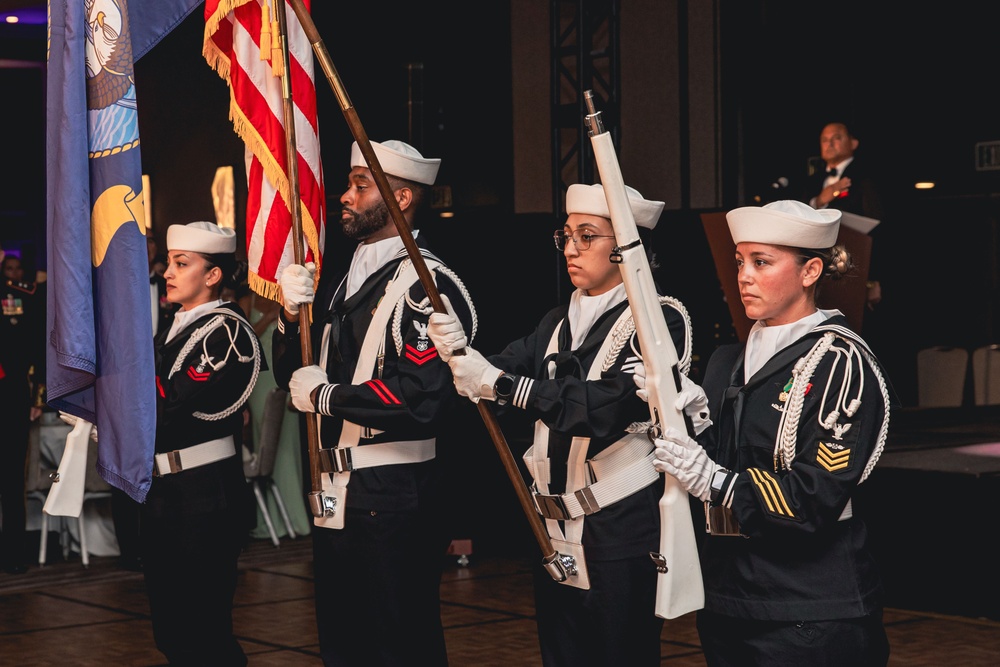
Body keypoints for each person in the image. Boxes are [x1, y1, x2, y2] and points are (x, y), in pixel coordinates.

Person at [428, 183, 702, 667]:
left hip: (620, 526)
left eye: (588, 236)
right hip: (553, 522)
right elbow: (490, 375)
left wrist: (500, 382)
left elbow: (604, 406)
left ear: (627, 248)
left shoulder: (660, 319)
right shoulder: (556, 321)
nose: (571, 248)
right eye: (567, 235)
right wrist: (455, 352)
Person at [648, 200, 893, 666]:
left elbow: (811, 497)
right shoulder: (727, 361)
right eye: (740, 261)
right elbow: (714, 464)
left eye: (762, 262)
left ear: (810, 271)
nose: (743, 275)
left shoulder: (839, 363)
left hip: (808, 607)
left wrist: (716, 481)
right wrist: (686, 425)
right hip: (728, 599)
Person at [272, 139, 478, 667]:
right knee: (345, 644)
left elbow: (421, 396)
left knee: (398, 643)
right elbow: (291, 377)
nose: (345, 195)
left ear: (402, 198)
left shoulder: (426, 285)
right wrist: (287, 319)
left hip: (393, 492)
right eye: (350, 184)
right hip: (339, 487)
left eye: (361, 186)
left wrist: (329, 396)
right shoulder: (349, 277)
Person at [143, 220, 261, 665]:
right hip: (166, 493)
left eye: (182, 263)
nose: (168, 271)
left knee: (204, 633)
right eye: (169, 262)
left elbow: (170, 405)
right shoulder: (174, 326)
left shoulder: (225, 331)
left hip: (204, 495)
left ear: (213, 275)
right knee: (172, 632)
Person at [801, 121, 885, 311]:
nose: (829, 143)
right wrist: (820, 200)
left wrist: (874, 279)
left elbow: (878, 228)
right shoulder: (812, 181)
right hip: (820, 271)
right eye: (824, 140)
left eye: (837, 138)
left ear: (853, 143)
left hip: (855, 268)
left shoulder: (866, 176)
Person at [0, 248, 45, 574]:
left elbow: (36, 346)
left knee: (11, 477)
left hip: (11, 395)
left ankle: (13, 552)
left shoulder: (18, 296)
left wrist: (37, 396)